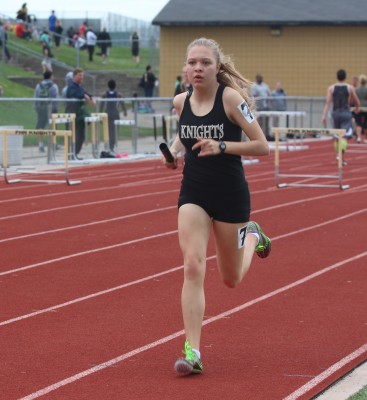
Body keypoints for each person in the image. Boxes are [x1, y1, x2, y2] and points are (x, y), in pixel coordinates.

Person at [162, 38, 271, 376]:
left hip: (230, 195)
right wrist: (175, 151)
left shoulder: (231, 99)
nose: (197, 68)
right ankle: (192, 352)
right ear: (185, 67)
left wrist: (222, 145)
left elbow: (262, 146)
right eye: (192, 62)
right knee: (193, 266)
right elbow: (184, 133)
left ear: (216, 67)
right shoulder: (181, 101)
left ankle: (253, 236)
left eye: (204, 63)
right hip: (193, 192)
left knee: (231, 278)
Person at [321, 69, 360, 165]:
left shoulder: (331, 88)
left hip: (336, 113)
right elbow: (356, 100)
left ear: (336, 77)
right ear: (345, 77)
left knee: (336, 135)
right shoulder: (349, 88)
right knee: (344, 136)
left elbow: (327, 103)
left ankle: (339, 155)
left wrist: (324, 116)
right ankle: (341, 156)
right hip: (346, 113)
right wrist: (357, 108)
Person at [65, 68, 96, 159]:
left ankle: (74, 154)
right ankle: (71, 155)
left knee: (80, 136)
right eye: (80, 75)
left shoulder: (79, 87)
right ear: (74, 76)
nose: (82, 77)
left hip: (79, 116)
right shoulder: (71, 87)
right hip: (72, 114)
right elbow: (74, 94)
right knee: (72, 135)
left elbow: (85, 93)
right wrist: (84, 96)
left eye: (83, 75)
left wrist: (91, 97)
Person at [33, 70, 59, 152]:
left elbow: (36, 97)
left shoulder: (38, 86)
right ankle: (53, 143)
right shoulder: (54, 86)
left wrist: (36, 107)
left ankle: (41, 143)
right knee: (52, 126)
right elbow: (56, 98)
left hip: (41, 108)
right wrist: (56, 109)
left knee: (40, 126)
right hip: (51, 108)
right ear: (50, 76)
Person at [100, 79, 127, 153]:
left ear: (108, 86)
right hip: (115, 113)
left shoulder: (104, 95)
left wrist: (100, 113)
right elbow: (122, 103)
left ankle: (108, 146)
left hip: (107, 113)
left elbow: (101, 104)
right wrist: (125, 111)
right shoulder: (118, 94)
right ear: (115, 86)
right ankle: (111, 146)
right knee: (114, 131)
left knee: (107, 130)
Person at [250, 74, 271, 140]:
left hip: (266, 107)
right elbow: (254, 95)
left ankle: (267, 135)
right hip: (259, 107)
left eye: (261, 78)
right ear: (257, 79)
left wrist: (268, 102)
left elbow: (269, 94)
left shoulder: (265, 86)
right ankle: (260, 136)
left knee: (266, 122)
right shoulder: (254, 86)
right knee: (260, 122)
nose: (260, 79)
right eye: (259, 78)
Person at [354, 74, 367, 143]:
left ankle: (359, 137)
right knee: (365, 123)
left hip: (359, 107)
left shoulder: (357, 89)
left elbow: (354, 97)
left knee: (359, 123)